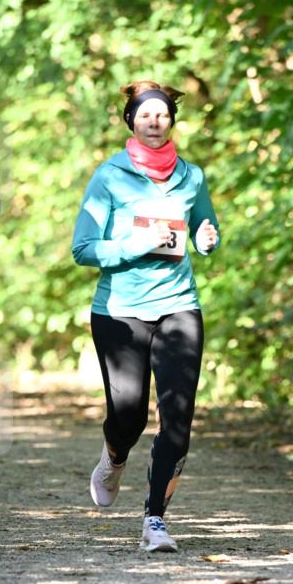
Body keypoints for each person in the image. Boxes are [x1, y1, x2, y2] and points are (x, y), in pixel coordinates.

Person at [72, 80, 220, 553]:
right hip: (120, 312)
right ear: (130, 121)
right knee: (128, 416)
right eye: (145, 114)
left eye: (162, 114)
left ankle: (155, 518)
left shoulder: (191, 176)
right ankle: (114, 457)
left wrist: (207, 239)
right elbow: (83, 248)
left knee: (178, 417)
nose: (154, 121)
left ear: (171, 120)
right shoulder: (109, 176)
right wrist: (137, 244)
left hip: (179, 306)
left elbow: (204, 226)